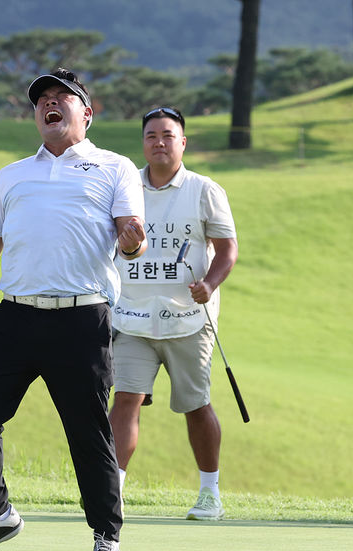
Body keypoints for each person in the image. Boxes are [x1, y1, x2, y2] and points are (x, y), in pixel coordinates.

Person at [0, 68, 146, 551]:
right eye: (42, 100)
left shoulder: (115, 167)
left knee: (88, 431)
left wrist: (134, 239)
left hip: (81, 319)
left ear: (86, 114)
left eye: (62, 98)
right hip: (15, 317)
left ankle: (106, 538)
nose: (51, 105)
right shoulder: (12, 175)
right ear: (35, 115)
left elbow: (129, 238)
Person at [108, 106, 238, 521]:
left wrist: (210, 284)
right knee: (125, 398)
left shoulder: (204, 189)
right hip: (131, 316)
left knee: (196, 405)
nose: (159, 142)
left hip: (188, 319)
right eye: (151, 136)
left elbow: (227, 249)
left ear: (183, 142)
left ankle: (209, 493)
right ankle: (113, 491)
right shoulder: (125, 189)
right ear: (142, 143)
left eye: (168, 135)